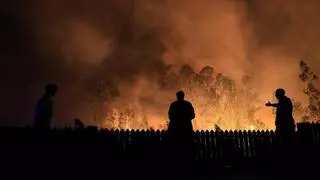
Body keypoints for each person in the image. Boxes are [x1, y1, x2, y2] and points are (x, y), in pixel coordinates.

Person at [168, 90, 195, 164]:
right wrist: (186, 119)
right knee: (186, 148)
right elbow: (192, 115)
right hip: (186, 130)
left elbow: (170, 116)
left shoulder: (173, 105)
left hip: (176, 130)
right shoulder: (188, 104)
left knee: (177, 148)